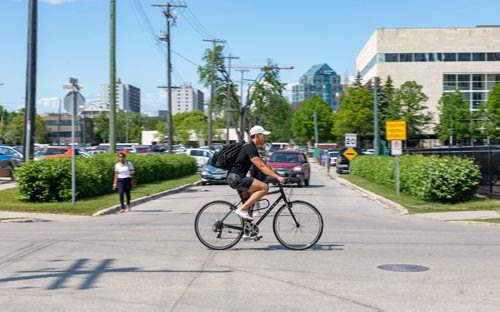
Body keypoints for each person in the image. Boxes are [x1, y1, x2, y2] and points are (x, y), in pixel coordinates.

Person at [227, 125, 285, 221]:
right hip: (237, 178)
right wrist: (277, 177)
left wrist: (277, 175)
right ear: (258, 135)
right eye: (264, 135)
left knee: (249, 208)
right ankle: (241, 209)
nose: (265, 137)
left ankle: (248, 232)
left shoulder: (252, 147)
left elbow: (264, 165)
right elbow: (261, 167)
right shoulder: (250, 147)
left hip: (235, 177)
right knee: (264, 187)